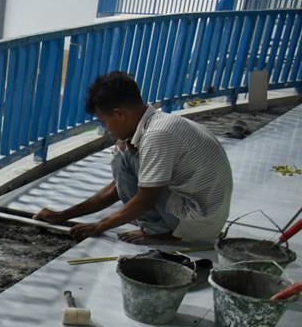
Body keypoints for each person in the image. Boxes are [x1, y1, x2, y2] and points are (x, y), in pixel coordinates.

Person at [34, 71, 233, 244]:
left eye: (104, 122)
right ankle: (164, 225)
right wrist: (63, 216)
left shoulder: (158, 136)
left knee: (123, 157)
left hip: (199, 221)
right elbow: (116, 188)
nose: (106, 129)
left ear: (119, 114)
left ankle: (162, 232)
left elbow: (145, 200)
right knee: (125, 154)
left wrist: (99, 226)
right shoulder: (156, 124)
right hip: (204, 211)